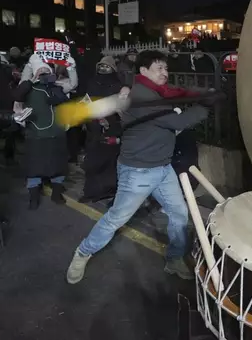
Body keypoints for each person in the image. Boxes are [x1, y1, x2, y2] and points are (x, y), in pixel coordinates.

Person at [66, 50, 210, 284]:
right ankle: (83, 252)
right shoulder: (142, 96)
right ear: (143, 71)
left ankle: (174, 260)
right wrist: (205, 106)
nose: (165, 73)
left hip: (163, 168)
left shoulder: (156, 91)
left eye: (166, 68)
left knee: (179, 214)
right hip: (138, 172)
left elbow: (178, 96)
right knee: (116, 218)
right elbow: (178, 121)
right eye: (159, 68)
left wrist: (204, 93)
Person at [13, 54, 78, 210]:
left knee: (58, 165)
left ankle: (56, 193)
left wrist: (71, 67)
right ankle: (33, 196)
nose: (42, 72)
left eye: (45, 69)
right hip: (36, 134)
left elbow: (73, 84)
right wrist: (30, 67)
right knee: (34, 167)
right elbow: (17, 101)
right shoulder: (27, 87)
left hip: (56, 133)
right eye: (39, 69)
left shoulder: (57, 86)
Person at [79, 56, 129, 203]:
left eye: (106, 67)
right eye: (100, 66)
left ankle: (108, 190)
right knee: (92, 160)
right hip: (93, 127)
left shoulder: (118, 86)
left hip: (110, 127)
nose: (103, 69)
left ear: (113, 69)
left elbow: (122, 108)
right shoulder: (92, 82)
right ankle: (91, 191)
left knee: (108, 161)